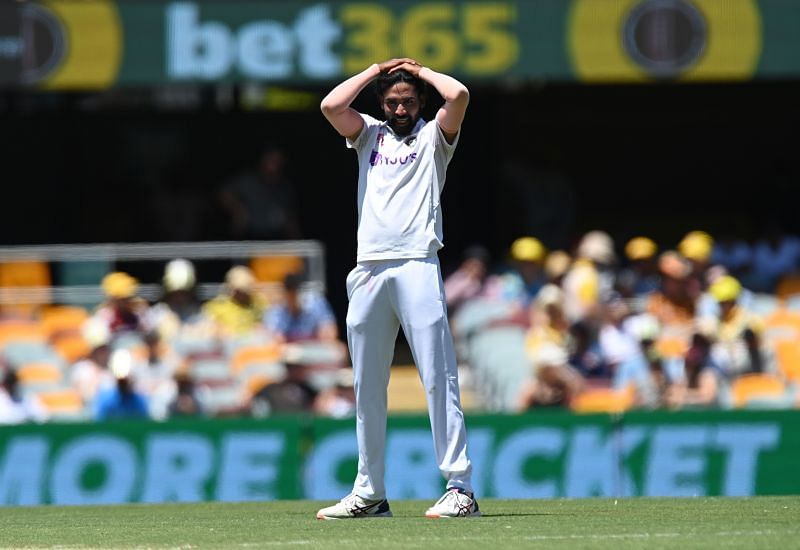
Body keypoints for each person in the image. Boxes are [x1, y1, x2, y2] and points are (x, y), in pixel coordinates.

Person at [315, 58, 479, 520]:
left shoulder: (434, 137)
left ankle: (460, 487)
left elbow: (460, 95)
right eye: (392, 101)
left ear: (421, 101)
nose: (400, 107)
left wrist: (420, 71)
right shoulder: (368, 132)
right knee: (366, 384)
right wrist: (374, 71)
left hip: (416, 262)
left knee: (437, 376)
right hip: (368, 268)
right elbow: (331, 104)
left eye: (407, 100)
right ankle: (370, 492)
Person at [219, 146, 302, 241]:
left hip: (275, 238)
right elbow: (223, 193)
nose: (274, 163)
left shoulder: (285, 187)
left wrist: (297, 241)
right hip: (248, 236)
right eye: (271, 158)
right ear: (263, 160)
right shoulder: (247, 180)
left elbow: (290, 218)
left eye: (278, 160)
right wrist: (238, 210)